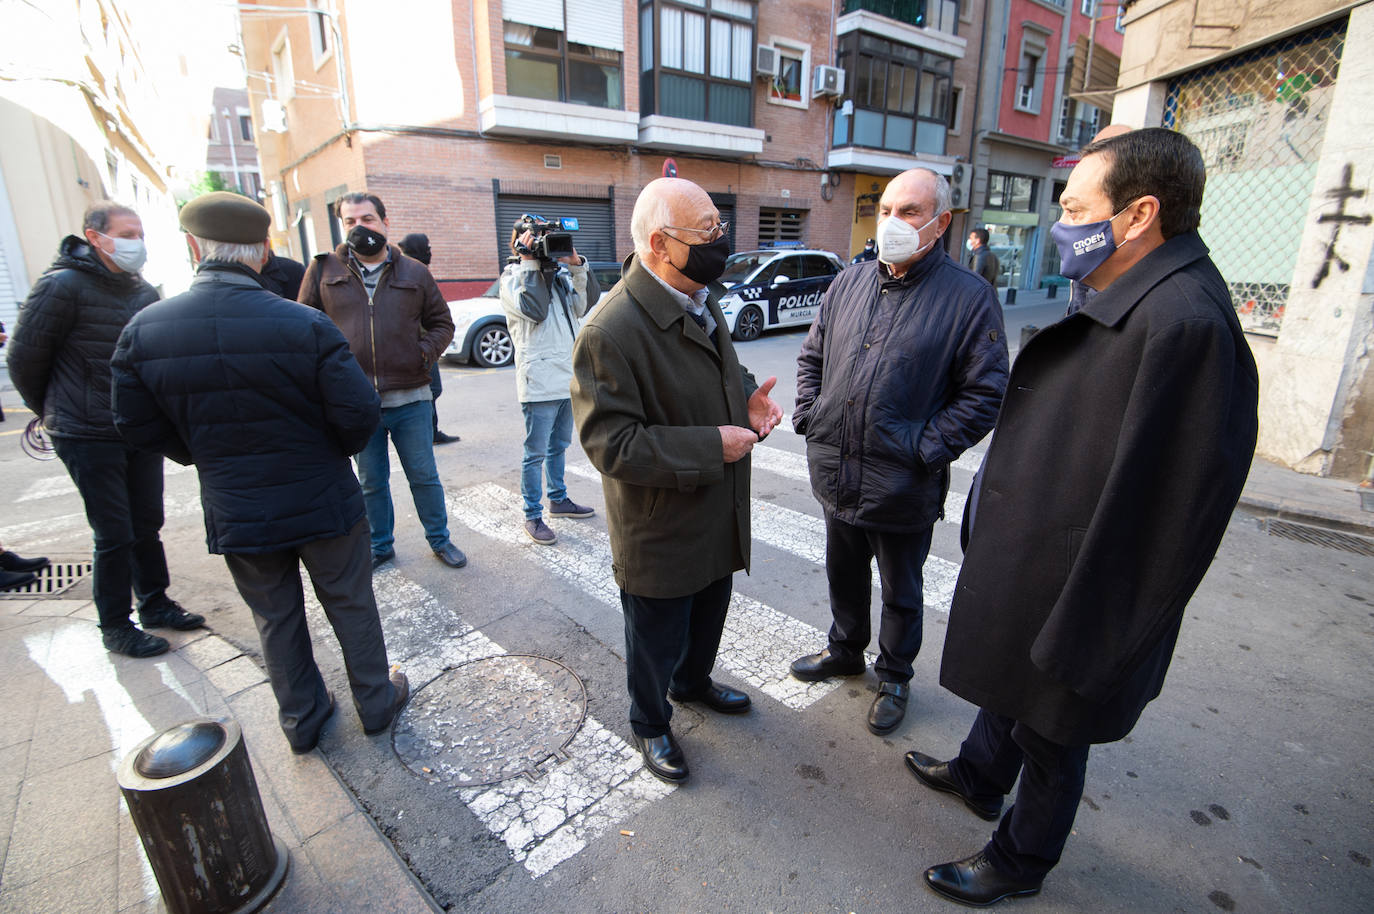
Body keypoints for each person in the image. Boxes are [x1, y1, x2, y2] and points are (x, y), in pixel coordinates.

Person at [909, 128, 1259, 906]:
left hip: (1081, 585)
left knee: (1055, 728)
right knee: (1011, 686)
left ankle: (1020, 860)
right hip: (1040, 558)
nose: (1061, 224)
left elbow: (1167, 516)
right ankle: (977, 773)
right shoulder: (1124, 284)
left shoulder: (1187, 323)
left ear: (1138, 215)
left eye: (1074, 207)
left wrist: (1096, 630)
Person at [110, 192, 409, 753]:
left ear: (194, 247)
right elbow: (358, 413)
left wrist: (206, 454)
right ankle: (375, 702)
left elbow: (137, 426)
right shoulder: (306, 325)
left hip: (237, 501)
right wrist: (325, 452)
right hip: (321, 494)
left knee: (274, 614)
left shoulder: (146, 330)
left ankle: (302, 718)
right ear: (264, 250)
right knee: (350, 600)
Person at [571, 177, 783, 784]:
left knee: (710, 609)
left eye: (720, 226)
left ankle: (693, 684)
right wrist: (712, 445)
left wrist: (747, 400)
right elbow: (611, 444)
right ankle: (651, 721)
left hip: (715, 506)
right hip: (660, 521)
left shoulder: (697, 290)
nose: (722, 241)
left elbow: (723, 369)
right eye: (708, 232)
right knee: (655, 634)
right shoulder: (609, 331)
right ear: (662, 243)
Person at [789, 168, 1008, 736]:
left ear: (940, 223)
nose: (893, 222)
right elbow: (812, 359)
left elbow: (985, 394)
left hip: (903, 481)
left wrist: (922, 448)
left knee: (902, 590)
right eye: (886, 210)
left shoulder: (969, 298)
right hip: (837, 469)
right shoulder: (850, 282)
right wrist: (812, 416)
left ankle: (894, 675)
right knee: (843, 572)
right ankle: (845, 649)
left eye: (909, 212)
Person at [6, 201, 203, 658]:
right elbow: (24, 360)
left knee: (146, 524)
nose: (137, 243)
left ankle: (155, 602)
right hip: (85, 432)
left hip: (136, 429)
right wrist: (57, 411)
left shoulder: (140, 290)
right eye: (127, 233)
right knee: (113, 532)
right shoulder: (62, 286)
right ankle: (115, 623)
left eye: (141, 234)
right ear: (95, 237)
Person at [299, 193, 465, 571]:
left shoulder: (414, 272)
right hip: (355, 402)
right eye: (351, 220)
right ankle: (380, 545)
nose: (361, 227)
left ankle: (439, 540)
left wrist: (421, 353)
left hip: (411, 398)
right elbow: (304, 327)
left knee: (424, 476)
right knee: (371, 481)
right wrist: (328, 371)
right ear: (342, 225)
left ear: (385, 223)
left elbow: (442, 323)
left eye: (369, 219)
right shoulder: (323, 270)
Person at [500, 221, 601, 545]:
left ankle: (558, 499)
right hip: (540, 381)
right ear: (518, 245)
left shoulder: (559, 278)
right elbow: (535, 309)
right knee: (535, 453)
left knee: (559, 446)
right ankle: (532, 514)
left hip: (567, 378)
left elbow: (585, 304)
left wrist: (576, 265)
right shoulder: (512, 279)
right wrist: (529, 263)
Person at [397, 232, 459, 445]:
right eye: (427, 247)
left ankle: (430, 432)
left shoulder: (415, 270)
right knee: (430, 390)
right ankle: (426, 433)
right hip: (418, 346)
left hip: (424, 344)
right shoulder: (409, 272)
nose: (430, 252)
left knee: (432, 390)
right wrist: (424, 346)